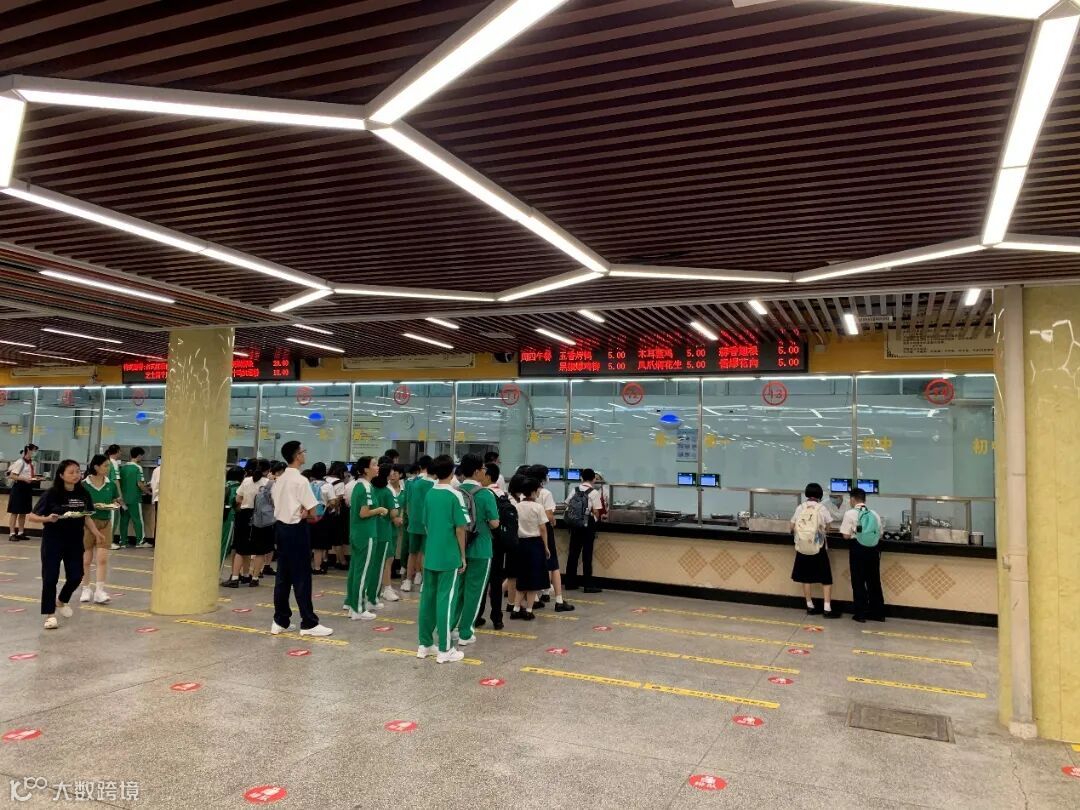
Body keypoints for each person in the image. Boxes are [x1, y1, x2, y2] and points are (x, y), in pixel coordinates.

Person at [27, 459, 106, 629]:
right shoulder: (51, 494)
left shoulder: (83, 493)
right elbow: (31, 517)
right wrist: (47, 519)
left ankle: (61, 601)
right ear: (61, 475)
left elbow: (86, 516)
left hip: (75, 540)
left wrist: (96, 533)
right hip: (53, 540)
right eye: (71, 472)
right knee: (50, 577)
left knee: (77, 575)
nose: (76, 475)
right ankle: (50, 615)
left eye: (78, 471)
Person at [269, 441, 333, 637]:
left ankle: (280, 620)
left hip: (280, 529)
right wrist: (306, 513)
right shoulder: (300, 480)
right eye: (303, 451)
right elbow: (313, 512)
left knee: (283, 577)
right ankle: (308, 622)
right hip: (297, 530)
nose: (305, 454)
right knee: (302, 577)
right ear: (297, 456)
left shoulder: (279, 480)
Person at [416, 454, 469, 663]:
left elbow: (426, 524)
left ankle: (424, 644)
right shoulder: (455, 495)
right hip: (449, 555)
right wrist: (462, 556)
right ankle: (445, 649)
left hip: (431, 553)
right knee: (446, 601)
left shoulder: (430, 494)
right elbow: (460, 528)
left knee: (427, 600)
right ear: (452, 471)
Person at [450, 454, 499, 646]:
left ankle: (452, 627)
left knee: (458, 590)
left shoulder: (455, 492)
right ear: (477, 471)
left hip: (458, 547)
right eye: (484, 468)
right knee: (475, 592)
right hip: (480, 547)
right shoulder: (486, 494)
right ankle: (466, 632)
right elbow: (494, 523)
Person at [344, 456, 388, 621]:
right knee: (363, 572)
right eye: (374, 465)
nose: (378, 467)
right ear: (365, 469)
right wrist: (380, 509)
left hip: (357, 533)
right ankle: (358, 609)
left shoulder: (358, 486)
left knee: (356, 570)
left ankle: (352, 604)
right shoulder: (366, 488)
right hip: (366, 534)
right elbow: (364, 513)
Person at [789, 483, 839, 619]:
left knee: (806, 577)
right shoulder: (822, 508)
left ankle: (810, 606)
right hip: (818, 546)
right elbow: (828, 527)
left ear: (806, 493)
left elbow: (791, 526)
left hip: (803, 547)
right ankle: (827, 608)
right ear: (820, 495)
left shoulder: (800, 507)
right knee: (826, 577)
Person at [528, 464, 573, 612]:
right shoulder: (545, 493)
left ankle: (534, 598)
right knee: (553, 565)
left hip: (529, 531)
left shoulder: (525, 492)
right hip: (544, 530)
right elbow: (548, 515)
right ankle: (559, 600)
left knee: (533, 564)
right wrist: (552, 520)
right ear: (543, 477)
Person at [841, 487, 885, 623]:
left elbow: (846, 535)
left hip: (858, 548)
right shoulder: (874, 514)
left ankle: (860, 613)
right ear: (864, 500)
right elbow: (880, 534)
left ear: (852, 499)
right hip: (873, 549)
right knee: (874, 581)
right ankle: (878, 613)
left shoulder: (850, 514)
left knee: (858, 580)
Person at [80, 454, 119, 605]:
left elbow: (115, 500)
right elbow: (78, 503)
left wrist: (115, 505)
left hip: (105, 522)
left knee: (102, 558)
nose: (108, 468)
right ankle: (85, 588)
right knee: (86, 559)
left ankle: (99, 591)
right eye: (105, 466)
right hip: (87, 523)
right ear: (96, 467)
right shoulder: (84, 484)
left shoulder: (111, 484)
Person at [510, 476, 549, 621]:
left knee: (522, 578)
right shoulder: (538, 507)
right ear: (533, 491)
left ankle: (515, 609)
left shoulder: (517, 506)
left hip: (520, 544)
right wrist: (546, 546)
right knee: (534, 579)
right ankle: (529, 610)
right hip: (535, 544)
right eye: (537, 490)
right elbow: (543, 528)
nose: (539, 492)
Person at [225, 459, 266, 587]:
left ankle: (235, 577)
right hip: (261, 517)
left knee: (240, 548)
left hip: (244, 515)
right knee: (259, 549)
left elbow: (238, 499)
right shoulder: (268, 483)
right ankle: (252, 577)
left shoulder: (246, 481)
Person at [564, 468, 603, 593]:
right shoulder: (594, 492)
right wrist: (594, 519)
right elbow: (596, 511)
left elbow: (567, 504)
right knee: (587, 555)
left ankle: (570, 583)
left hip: (575, 525)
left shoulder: (575, 489)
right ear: (593, 479)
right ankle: (588, 585)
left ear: (581, 478)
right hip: (588, 525)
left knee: (573, 554)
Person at [402, 455, 434, 592]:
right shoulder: (433, 484)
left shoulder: (411, 482)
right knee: (426, 553)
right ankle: (423, 582)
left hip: (413, 522)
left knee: (412, 552)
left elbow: (407, 504)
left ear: (420, 466)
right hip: (428, 523)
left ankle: (408, 580)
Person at [370, 462, 399, 606]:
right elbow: (393, 513)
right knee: (387, 560)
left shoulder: (369, 488)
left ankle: (367, 592)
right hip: (384, 530)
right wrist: (397, 514)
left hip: (370, 528)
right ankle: (386, 589)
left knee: (372, 562)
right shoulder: (388, 491)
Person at [381, 463, 405, 603]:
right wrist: (394, 517)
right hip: (386, 528)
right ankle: (386, 588)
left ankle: (385, 586)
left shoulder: (402, 489)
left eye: (396, 472)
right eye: (391, 472)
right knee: (387, 559)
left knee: (389, 558)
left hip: (393, 529)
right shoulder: (385, 490)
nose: (393, 475)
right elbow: (391, 511)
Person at [117, 447, 149, 548]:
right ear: (139, 456)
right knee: (137, 520)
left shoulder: (122, 468)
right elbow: (140, 484)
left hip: (123, 499)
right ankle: (140, 541)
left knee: (124, 520)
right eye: (142, 456)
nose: (142, 458)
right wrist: (147, 491)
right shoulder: (138, 468)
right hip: (134, 498)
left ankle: (123, 542)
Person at [6, 443, 39, 541]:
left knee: (23, 512)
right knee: (14, 512)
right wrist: (24, 479)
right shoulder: (20, 462)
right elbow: (12, 475)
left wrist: (36, 478)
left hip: (27, 488)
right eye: (34, 450)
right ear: (28, 450)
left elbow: (29, 475)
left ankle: (21, 532)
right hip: (18, 488)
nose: (35, 453)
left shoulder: (31, 463)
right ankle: (12, 533)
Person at [308, 462, 335, 576]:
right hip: (322, 517)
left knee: (309, 543)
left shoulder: (308, 484)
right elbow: (333, 502)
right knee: (319, 544)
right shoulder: (328, 486)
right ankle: (317, 567)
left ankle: (306, 566)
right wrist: (329, 506)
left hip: (308, 516)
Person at [326, 461, 349, 571]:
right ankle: (342, 561)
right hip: (334, 514)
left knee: (325, 539)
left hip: (322, 513)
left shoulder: (324, 479)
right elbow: (338, 501)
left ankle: (325, 560)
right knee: (337, 539)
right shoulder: (339, 483)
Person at [220, 465, 244, 569]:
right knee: (224, 545)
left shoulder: (223, 485)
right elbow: (238, 505)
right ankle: (217, 569)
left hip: (219, 517)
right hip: (229, 518)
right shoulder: (237, 488)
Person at [105, 444, 122, 548]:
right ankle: (109, 542)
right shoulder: (113, 463)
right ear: (117, 451)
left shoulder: (106, 462)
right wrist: (120, 496)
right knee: (113, 518)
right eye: (120, 451)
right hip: (111, 494)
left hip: (105, 492)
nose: (121, 453)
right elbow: (116, 481)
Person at [149, 459, 161, 547]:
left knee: (158, 522)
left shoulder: (156, 470)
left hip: (158, 499)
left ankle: (156, 542)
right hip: (164, 499)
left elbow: (154, 485)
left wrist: (153, 499)